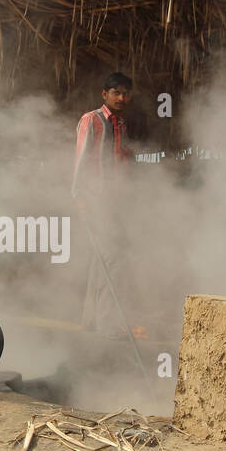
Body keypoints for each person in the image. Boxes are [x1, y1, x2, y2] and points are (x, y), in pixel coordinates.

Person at [72, 72, 134, 334]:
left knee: (102, 259)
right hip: (95, 199)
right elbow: (81, 159)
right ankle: (107, 323)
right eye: (116, 92)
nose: (121, 97)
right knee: (112, 259)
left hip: (114, 200)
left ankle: (91, 322)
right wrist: (80, 197)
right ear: (104, 94)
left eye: (125, 93)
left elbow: (122, 159)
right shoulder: (91, 120)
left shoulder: (120, 124)